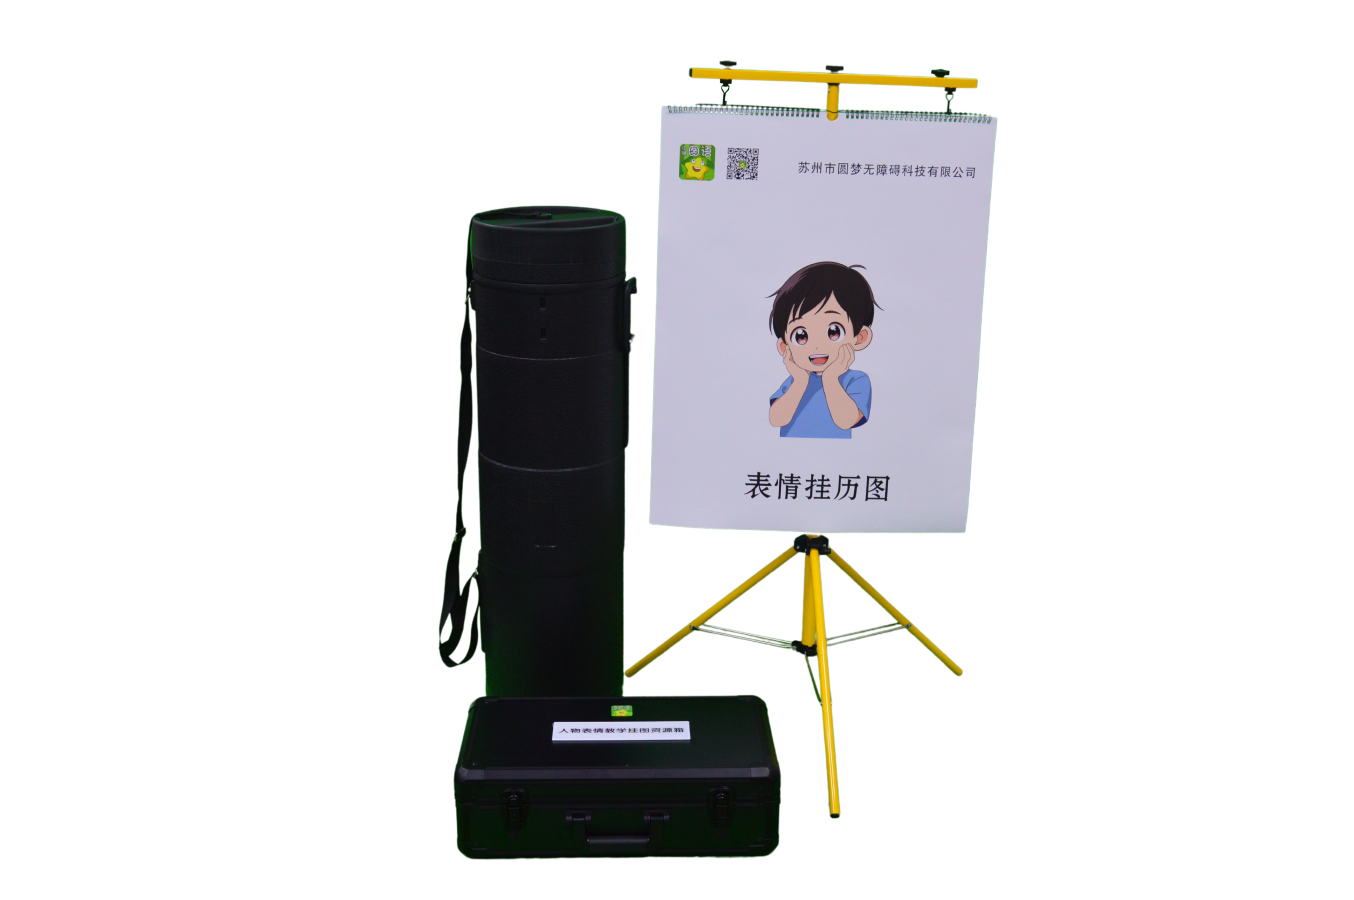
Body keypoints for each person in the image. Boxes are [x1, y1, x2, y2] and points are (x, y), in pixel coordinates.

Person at [767, 262, 880, 439]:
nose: (817, 346)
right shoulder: (795, 381)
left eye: (833, 332)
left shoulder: (855, 380)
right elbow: (776, 419)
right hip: (790, 455)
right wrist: (800, 381)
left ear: (860, 337)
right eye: (801, 336)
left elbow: (846, 421)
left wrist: (831, 378)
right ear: (784, 346)